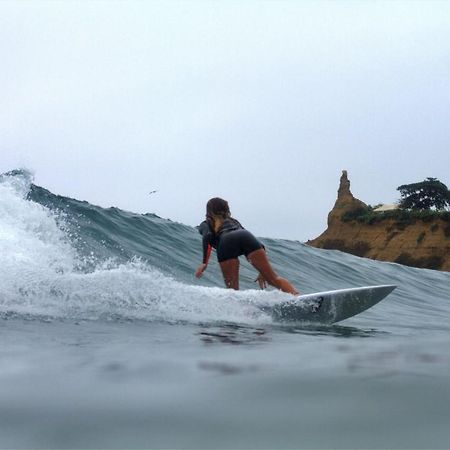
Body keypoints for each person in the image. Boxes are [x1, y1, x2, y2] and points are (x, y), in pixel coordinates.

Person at [195, 197, 299, 295]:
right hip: (245, 236)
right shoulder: (234, 221)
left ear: (208, 211)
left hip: (226, 242)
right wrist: (261, 271)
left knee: (233, 291)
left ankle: (241, 312)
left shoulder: (205, 224)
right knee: (273, 279)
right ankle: (297, 298)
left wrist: (204, 263)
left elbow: (207, 236)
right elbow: (258, 244)